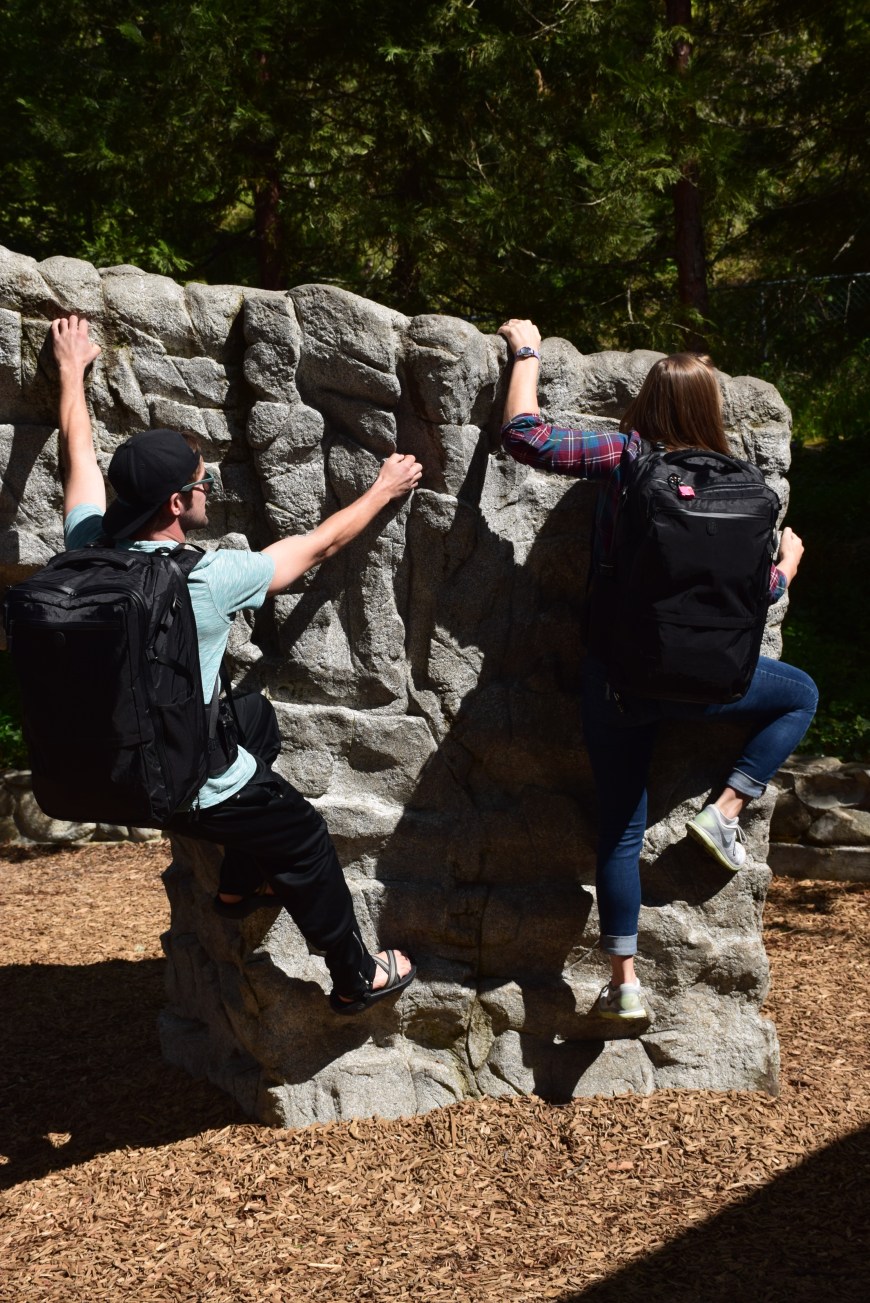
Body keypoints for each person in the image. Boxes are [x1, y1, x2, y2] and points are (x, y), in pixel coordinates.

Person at [51, 312, 420, 1015]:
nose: (207, 487)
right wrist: (383, 489)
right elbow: (316, 547)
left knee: (254, 718)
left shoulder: (87, 552)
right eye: (200, 479)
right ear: (176, 502)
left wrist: (71, 374)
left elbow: (79, 463)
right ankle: (354, 974)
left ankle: (236, 886)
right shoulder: (207, 579)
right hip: (194, 785)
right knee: (306, 838)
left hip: (121, 773)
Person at [497, 318, 817, 1022]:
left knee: (620, 827)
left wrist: (526, 349)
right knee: (800, 694)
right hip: (715, 685)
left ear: (648, 401)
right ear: (712, 411)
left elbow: (524, 434)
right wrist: (786, 569)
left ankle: (625, 983)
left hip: (622, 680)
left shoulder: (626, 455)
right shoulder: (745, 485)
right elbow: (752, 597)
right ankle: (727, 809)